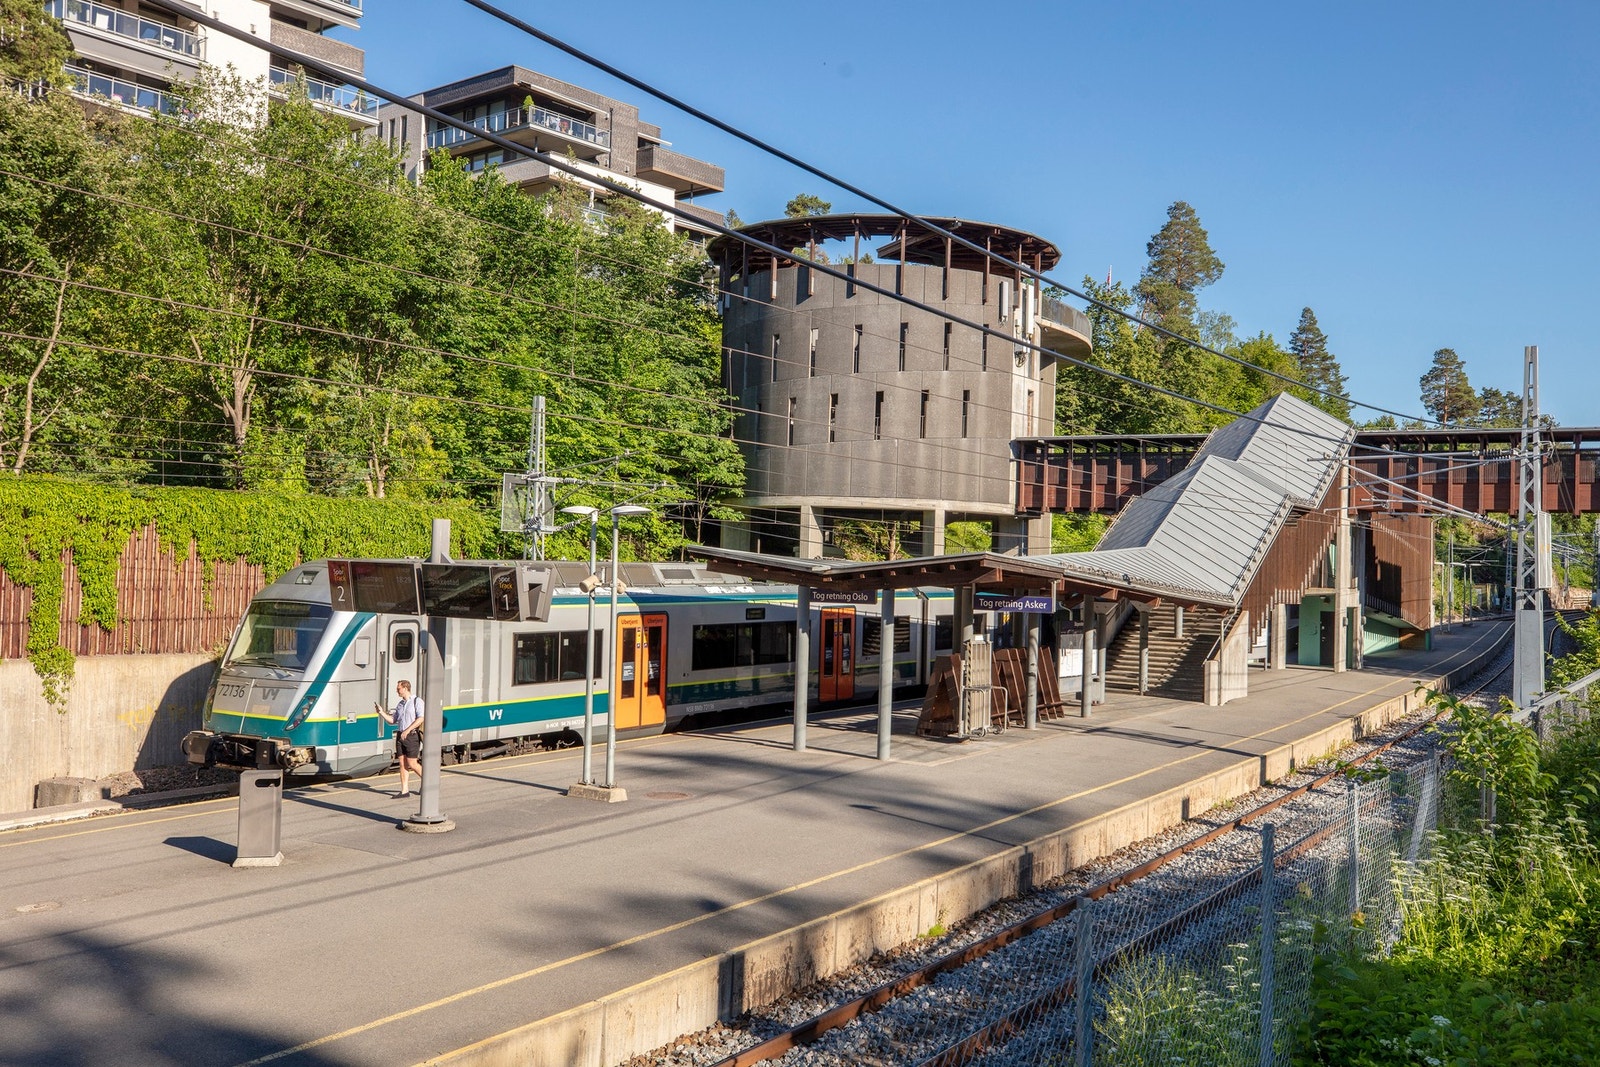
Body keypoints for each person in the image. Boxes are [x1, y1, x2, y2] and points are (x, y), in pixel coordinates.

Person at [375, 680, 425, 798]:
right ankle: (404, 791)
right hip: (400, 735)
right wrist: (381, 712)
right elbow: (393, 720)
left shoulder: (417, 701)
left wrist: (407, 730)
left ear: (405, 688)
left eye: (398, 689)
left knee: (412, 763)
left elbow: (421, 718)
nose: (397, 691)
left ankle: (428, 782)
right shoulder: (400, 704)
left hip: (411, 735)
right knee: (402, 763)